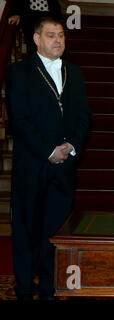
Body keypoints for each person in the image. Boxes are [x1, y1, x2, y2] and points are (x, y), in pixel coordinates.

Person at [5, 16, 91, 300]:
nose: (58, 40)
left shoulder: (74, 72)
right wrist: (48, 150)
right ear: (37, 39)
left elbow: (83, 116)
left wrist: (71, 146)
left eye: (62, 35)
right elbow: (19, 120)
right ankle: (24, 288)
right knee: (27, 230)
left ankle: (49, 288)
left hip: (65, 166)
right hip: (32, 164)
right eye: (52, 35)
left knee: (56, 233)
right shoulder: (19, 72)